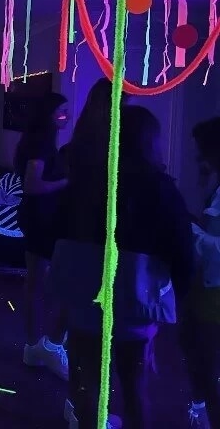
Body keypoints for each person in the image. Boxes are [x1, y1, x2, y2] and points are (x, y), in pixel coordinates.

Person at [52, 105, 193, 428]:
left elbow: (55, 229)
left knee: (87, 385)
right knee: (135, 387)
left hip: (85, 297)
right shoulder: (161, 189)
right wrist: (174, 301)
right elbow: (182, 254)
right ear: (151, 142)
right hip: (135, 301)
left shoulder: (86, 182)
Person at [13, 92, 69, 379]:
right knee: (45, 281)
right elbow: (32, 185)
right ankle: (43, 344)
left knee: (36, 280)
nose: (66, 116)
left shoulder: (37, 141)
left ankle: (35, 344)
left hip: (38, 216)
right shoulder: (41, 144)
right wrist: (67, 182)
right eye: (61, 111)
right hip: (41, 218)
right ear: (48, 114)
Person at [181, 117, 220, 429]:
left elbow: (215, 247)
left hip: (213, 288)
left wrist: (187, 227)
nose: (197, 160)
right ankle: (200, 411)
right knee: (194, 346)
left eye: (201, 153)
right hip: (206, 285)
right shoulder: (214, 185)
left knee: (205, 358)